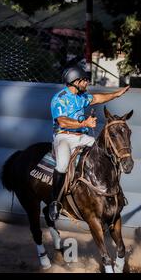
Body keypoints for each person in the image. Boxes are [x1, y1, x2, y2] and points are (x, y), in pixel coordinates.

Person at [49, 66, 130, 220]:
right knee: (62, 165)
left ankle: (113, 192)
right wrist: (85, 123)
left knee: (106, 153)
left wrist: (117, 94)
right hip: (64, 137)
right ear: (75, 81)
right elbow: (62, 121)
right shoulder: (59, 98)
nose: (87, 83)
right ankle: (54, 202)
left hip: (82, 136)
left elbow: (99, 98)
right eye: (85, 80)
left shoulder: (82, 97)